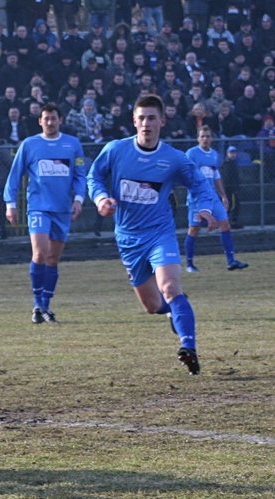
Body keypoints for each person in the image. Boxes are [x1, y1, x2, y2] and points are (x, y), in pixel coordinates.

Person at [86, 94, 219, 375]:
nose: (146, 123)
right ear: (134, 121)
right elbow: (94, 176)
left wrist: (206, 208)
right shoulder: (115, 150)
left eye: (151, 118)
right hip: (128, 238)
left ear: (162, 121)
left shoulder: (174, 159)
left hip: (160, 233)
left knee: (170, 286)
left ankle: (188, 346)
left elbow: (199, 185)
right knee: (151, 305)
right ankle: (174, 311)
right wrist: (100, 199)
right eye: (141, 118)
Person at [4, 102, 87, 324]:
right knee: (40, 253)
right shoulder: (30, 145)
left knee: (53, 258)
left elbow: (80, 174)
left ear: (60, 120)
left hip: (63, 209)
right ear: (40, 121)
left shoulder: (73, 144)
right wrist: (10, 203)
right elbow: (14, 175)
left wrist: (79, 199)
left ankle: (46, 306)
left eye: (54, 118)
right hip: (38, 207)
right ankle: (37, 305)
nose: (50, 122)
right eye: (46, 118)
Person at [183, 127, 249, 272]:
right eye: (203, 136)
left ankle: (231, 261)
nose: (205, 139)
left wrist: (223, 196)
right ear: (198, 138)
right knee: (194, 229)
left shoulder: (214, 155)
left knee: (225, 224)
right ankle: (189, 263)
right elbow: (186, 175)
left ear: (211, 139)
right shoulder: (191, 154)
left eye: (208, 136)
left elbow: (216, 176)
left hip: (213, 197)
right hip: (197, 198)